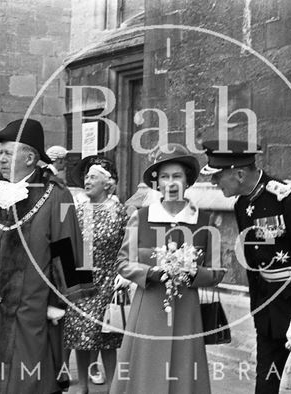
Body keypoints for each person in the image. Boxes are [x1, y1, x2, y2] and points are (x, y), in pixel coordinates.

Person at [0, 118, 94, 394]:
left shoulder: (57, 195)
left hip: (34, 309)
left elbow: (68, 249)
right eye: (0, 153)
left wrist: (58, 303)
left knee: (30, 380)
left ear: (30, 158)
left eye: (7, 152)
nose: (0, 159)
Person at [200, 139, 291, 394]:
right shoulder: (242, 204)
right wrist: (258, 310)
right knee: (265, 384)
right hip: (270, 308)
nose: (213, 183)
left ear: (239, 174)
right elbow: (254, 264)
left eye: (217, 176)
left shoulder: (285, 198)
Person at [110, 144, 225, 394]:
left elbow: (218, 271)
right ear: (157, 183)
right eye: (164, 177)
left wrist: (192, 273)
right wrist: (149, 273)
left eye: (177, 176)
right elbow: (122, 263)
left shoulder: (204, 222)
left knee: (184, 373)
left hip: (186, 312)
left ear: (187, 182)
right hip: (148, 308)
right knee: (144, 374)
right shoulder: (140, 218)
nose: (171, 183)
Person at [63, 155, 128, 393]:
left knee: (107, 336)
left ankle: (112, 385)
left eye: (93, 177)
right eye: (86, 177)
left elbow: (127, 245)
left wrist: (124, 274)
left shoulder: (119, 211)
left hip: (110, 279)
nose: (87, 180)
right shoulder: (78, 210)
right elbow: (68, 244)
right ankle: (82, 385)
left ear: (106, 183)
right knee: (80, 333)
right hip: (82, 279)